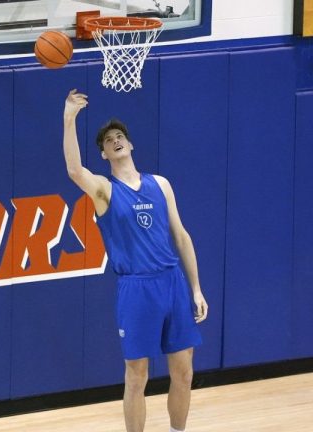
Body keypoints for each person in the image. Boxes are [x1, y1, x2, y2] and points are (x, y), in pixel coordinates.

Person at [62, 89, 208, 432]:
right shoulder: (104, 190)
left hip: (172, 282)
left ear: (130, 145)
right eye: (108, 140)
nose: (115, 141)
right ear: (103, 152)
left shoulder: (161, 183)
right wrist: (69, 119)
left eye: (120, 136)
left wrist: (196, 289)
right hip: (136, 288)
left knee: (184, 372)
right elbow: (73, 170)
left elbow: (182, 237)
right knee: (136, 375)